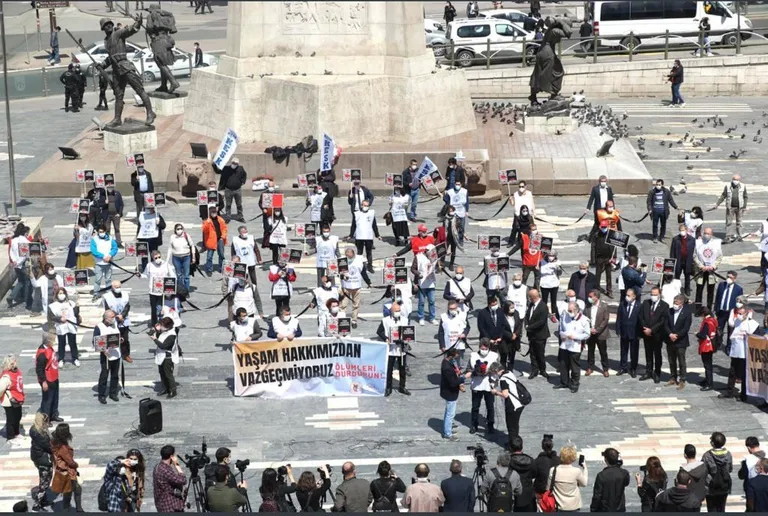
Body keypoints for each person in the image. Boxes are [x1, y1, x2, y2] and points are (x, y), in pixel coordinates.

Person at [99, 16, 155, 127]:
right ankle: (117, 119)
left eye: (110, 24)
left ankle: (150, 113)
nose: (109, 26)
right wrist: (102, 65)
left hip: (125, 66)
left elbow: (130, 30)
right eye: (106, 25)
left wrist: (137, 23)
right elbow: (110, 57)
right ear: (103, 28)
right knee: (119, 96)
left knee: (139, 89)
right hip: (116, 70)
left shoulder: (118, 33)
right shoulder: (106, 41)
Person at [721, 306, 759, 401]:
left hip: (745, 353)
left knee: (744, 374)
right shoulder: (737, 321)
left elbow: (757, 338)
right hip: (735, 351)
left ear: (746, 313)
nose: (738, 315)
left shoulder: (752, 324)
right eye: (738, 313)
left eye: (741, 314)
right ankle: (729, 391)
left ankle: (744, 394)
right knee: (732, 372)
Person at [556, 301, 591, 393]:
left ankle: (575, 383)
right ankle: (564, 382)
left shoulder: (584, 320)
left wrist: (575, 337)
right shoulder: (565, 316)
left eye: (571, 310)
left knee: (574, 366)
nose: (569, 312)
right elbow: (561, 328)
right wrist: (562, 334)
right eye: (568, 310)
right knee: (563, 364)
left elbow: (587, 334)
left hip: (575, 346)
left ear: (576, 310)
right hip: (565, 344)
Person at [465, 338, 498, 435]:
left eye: (486, 348)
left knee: (490, 407)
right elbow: (468, 369)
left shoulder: (494, 356)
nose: (484, 350)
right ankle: (474, 424)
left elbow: (498, 369)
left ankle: (490, 425)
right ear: (479, 347)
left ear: (488, 347)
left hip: (489, 385)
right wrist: (476, 372)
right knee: (475, 407)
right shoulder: (473, 356)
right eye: (482, 348)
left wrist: (489, 371)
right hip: (476, 385)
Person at [489, 362, 525, 446]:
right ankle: (515, 442)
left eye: (494, 373)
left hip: (512, 405)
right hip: (519, 403)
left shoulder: (503, 379)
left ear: (496, 370)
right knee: (515, 426)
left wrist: (496, 392)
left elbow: (505, 394)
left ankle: (513, 445)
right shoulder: (509, 373)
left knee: (511, 427)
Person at [639, 286, 668, 384]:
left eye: (655, 294)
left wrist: (652, 329)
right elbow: (641, 316)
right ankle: (648, 371)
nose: (653, 296)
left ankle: (657, 373)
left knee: (657, 354)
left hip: (657, 335)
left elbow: (662, 321)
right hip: (646, 333)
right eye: (652, 294)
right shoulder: (645, 303)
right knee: (648, 353)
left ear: (659, 295)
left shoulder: (664, 305)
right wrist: (645, 328)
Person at [51, 423, 83, 511]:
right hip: (68, 472)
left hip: (61, 470)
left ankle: (67, 508)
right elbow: (70, 462)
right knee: (76, 490)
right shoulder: (63, 448)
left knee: (67, 490)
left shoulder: (55, 442)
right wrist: (76, 465)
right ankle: (78, 509)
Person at [547, 446, 588, 512]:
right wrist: (585, 469)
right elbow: (584, 484)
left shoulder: (553, 470)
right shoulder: (576, 471)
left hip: (559, 506)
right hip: (573, 506)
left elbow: (548, 488)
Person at [381, 302, 409, 396]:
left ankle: (402, 386)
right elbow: (379, 331)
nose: (398, 312)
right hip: (391, 349)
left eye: (399, 310)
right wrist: (386, 338)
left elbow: (408, 331)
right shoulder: (385, 320)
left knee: (402, 368)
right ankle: (388, 388)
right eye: (396, 311)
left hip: (401, 348)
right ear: (392, 311)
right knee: (389, 369)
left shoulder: (405, 320)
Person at [94, 310, 122, 404]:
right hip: (106, 355)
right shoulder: (99, 327)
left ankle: (113, 393)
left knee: (115, 375)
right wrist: (103, 350)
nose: (114, 318)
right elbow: (95, 342)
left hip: (116, 354)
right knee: (104, 375)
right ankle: (101, 395)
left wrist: (120, 339)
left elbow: (117, 336)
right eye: (112, 317)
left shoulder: (115, 324)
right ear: (106, 318)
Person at [48, 287, 80, 368]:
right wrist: (59, 319)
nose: (61, 295)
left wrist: (77, 307)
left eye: (63, 293)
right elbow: (51, 316)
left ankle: (75, 358)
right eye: (60, 293)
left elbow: (75, 314)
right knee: (61, 343)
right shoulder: (53, 305)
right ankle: (61, 359)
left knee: (72, 343)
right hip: (61, 326)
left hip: (71, 326)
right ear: (57, 295)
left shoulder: (71, 303)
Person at [589, 447, 629, 512]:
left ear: (606, 460)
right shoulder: (624, 473)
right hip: (620, 509)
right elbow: (626, 483)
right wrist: (618, 465)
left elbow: (597, 495)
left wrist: (593, 509)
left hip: (605, 509)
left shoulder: (601, 475)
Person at [665, 294, 692, 389]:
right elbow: (666, 324)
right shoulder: (669, 311)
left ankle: (682, 379)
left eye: (677, 303)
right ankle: (673, 377)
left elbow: (686, 328)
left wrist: (677, 335)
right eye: (674, 302)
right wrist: (670, 334)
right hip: (670, 340)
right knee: (671, 360)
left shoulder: (687, 312)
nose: (675, 305)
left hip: (681, 341)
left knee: (681, 361)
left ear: (682, 303)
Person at [702, 431, 733, 512]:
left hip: (711, 487)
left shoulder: (707, 456)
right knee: (722, 508)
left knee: (711, 508)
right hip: (724, 485)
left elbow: (703, 471)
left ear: (712, 443)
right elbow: (730, 469)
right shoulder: (728, 454)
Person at [340, 246, 370, 328]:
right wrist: (343, 277)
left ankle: (354, 320)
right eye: (347, 256)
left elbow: (363, 273)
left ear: (353, 254)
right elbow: (339, 274)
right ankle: (342, 320)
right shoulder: (342, 261)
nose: (348, 258)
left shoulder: (359, 260)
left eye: (350, 256)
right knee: (343, 305)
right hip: (346, 287)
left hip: (356, 286)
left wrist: (368, 282)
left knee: (355, 304)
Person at [143, 250, 175, 326]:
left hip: (163, 291)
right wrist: (139, 275)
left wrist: (170, 285)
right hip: (153, 290)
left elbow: (173, 275)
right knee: (153, 309)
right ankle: (154, 324)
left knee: (163, 308)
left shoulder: (166, 265)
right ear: (152, 258)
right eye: (156, 258)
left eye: (159, 257)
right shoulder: (149, 265)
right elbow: (145, 275)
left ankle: (163, 323)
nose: (158, 259)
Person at [713, 174, 748, 243]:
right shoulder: (728, 186)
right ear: (732, 179)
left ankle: (739, 236)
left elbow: (745, 196)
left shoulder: (743, 186)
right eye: (734, 179)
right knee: (729, 222)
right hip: (730, 207)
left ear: (739, 180)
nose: (735, 181)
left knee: (739, 222)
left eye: (737, 180)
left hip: (739, 207)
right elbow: (723, 195)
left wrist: (744, 206)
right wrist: (717, 204)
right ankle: (728, 236)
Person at [36, 333, 62, 424]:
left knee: (55, 397)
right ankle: (46, 419)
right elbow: (39, 369)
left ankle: (54, 415)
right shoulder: (42, 353)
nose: (54, 342)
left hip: (54, 377)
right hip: (47, 379)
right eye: (52, 340)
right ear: (47, 341)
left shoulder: (49, 348)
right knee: (47, 400)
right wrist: (43, 382)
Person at [150, 317, 179, 398]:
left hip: (167, 358)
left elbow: (163, 346)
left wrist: (155, 339)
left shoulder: (172, 335)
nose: (161, 326)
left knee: (168, 374)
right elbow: (158, 336)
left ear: (167, 327)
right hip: (160, 356)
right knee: (162, 373)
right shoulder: (163, 332)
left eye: (162, 325)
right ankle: (165, 388)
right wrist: (156, 330)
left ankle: (173, 390)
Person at [152, 445, 187, 512]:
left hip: (161, 504)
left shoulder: (157, 466)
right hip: (170, 506)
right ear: (171, 456)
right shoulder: (166, 470)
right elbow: (183, 480)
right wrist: (177, 465)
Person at [525, 288, 550, 379]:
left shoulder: (543, 306)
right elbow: (527, 316)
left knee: (540, 353)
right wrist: (526, 323)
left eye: (529, 297)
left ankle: (542, 369)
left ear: (533, 297)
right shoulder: (531, 305)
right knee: (532, 353)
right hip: (532, 335)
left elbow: (541, 321)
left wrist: (529, 327)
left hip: (540, 335)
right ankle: (534, 370)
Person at [30, 413, 53, 511]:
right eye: (47, 421)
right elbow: (49, 448)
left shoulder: (33, 428)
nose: (48, 423)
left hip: (36, 457)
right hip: (43, 460)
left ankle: (42, 500)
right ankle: (37, 505)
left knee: (44, 479)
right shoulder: (41, 434)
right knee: (45, 482)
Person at [616, 287, 641, 377]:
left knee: (634, 352)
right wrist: (618, 329)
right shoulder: (622, 304)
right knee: (623, 351)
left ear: (634, 296)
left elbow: (641, 321)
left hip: (634, 333)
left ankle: (633, 368)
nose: (626, 297)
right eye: (626, 295)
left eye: (628, 295)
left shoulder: (639, 306)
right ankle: (623, 367)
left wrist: (640, 333)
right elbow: (619, 318)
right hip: (624, 332)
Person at [440, 348, 464, 441]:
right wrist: (463, 378)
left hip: (449, 392)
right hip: (449, 392)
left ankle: (448, 427)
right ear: (451, 355)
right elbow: (453, 382)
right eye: (456, 356)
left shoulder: (447, 362)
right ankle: (447, 433)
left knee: (448, 412)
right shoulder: (447, 368)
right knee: (450, 413)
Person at [507, 437, 537, 512]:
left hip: (513, 496)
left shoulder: (508, 462)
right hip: (528, 496)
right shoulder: (530, 460)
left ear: (510, 448)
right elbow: (534, 474)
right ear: (522, 446)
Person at [438, 299, 470, 368]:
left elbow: (467, 327)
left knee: (460, 365)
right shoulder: (444, 317)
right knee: (448, 365)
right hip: (448, 345)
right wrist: (442, 345)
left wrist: (464, 333)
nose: (452, 310)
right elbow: (441, 332)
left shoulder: (463, 315)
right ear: (448, 308)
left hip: (460, 345)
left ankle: (458, 377)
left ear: (457, 307)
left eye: (454, 308)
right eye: (450, 308)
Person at [585, 289, 610, 377]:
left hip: (601, 333)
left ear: (596, 297)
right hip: (590, 333)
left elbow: (605, 320)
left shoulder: (604, 306)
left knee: (603, 352)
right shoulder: (588, 306)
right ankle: (590, 367)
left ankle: (605, 369)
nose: (589, 298)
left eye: (590, 297)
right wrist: (589, 328)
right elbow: (585, 318)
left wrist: (597, 330)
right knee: (590, 351)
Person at [509, 223, 542, 288]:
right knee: (524, 278)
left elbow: (546, 249)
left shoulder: (540, 238)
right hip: (527, 263)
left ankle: (536, 290)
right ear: (529, 230)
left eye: (535, 229)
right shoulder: (525, 238)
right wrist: (508, 254)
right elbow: (517, 247)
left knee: (537, 279)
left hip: (537, 263)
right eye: (532, 230)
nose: (534, 231)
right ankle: (523, 290)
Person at [351, 199, 381, 270]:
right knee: (359, 252)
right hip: (359, 236)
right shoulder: (357, 214)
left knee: (369, 252)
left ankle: (370, 266)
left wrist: (377, 235)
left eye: (367, 206)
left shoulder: (371, 213)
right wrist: (351, 235)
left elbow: (374, 225)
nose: (366, 207)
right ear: (361, 205)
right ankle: (359, 266)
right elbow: (353, 225)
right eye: (364, 205)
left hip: (368, 236)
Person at [477, 296, 508, 364]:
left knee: (504, 352)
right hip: (488, 338)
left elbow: (503, 325)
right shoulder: (482, 313)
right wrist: (489, 339)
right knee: (490, 355)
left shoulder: (500, 311)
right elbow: (481, 327)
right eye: (493, 305)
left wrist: (500, 337)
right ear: (489, 305)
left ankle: (503, 367)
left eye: (496, 304)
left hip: (499, 338)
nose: (495, 306)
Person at [412, 244, 438, 326]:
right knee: (421, 301)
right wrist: (418, 274)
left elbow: (438, 267)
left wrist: (439, 267)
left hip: (431, 282)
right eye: (430, 252)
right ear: (426, 251)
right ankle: (421, 317)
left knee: (432, 301)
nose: (432, 254)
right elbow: (413, 268)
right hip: (421, 282)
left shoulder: (434, 257)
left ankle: (432, 318)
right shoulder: (418, 257)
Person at [167, 223, 196, 293]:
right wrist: (167, 260)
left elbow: (192, 245)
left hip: (186, 257)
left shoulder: (186, 236)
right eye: (178, 229)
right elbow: (170, 248)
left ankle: (186, 291)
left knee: (186, 275)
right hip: (176, 258)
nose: (179, 230)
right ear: (175, 230)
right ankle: (180, 291)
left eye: (181, 229)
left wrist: (193, 257)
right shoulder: (172, 237)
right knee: (179, 275)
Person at [89, 224, 118, 297]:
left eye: (102, 231)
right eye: (99, 232)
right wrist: (103, 257)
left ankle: (109, 293)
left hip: (108, 262)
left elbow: (115, 248)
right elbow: (93, 251)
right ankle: (96, 293)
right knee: (98, 280)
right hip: (99, 263)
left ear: (105, 231)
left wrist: (110, 255)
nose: (101, 233)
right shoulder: (94, 239)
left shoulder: (110, 238)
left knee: (108, 279)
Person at [0, 355, 24, 441]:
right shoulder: (6, 376)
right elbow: (1, 388)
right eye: (14, 361)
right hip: (9, 400)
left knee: (18, 416)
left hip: (17, 398)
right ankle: (10, 436)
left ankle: (16, 432)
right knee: (11, 419)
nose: (16, 362)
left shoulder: (16, 372)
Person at [647, 179, 679, 243]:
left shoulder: (666, 192)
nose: (658, 186)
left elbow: (670, 200)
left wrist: (676, 207)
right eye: (657, 184)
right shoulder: (652, 192)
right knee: (655, 224)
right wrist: (650, 209)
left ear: (662, 185)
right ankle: (655, 237)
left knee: (663, 225)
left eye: (659, 184)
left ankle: (662, 236)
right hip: (655, 211)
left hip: (663, 211)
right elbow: (649, 201)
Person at [215, 158, 247, 222]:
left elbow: (244, 175)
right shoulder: (226, 168)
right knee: (228, 204)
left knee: (239, 204)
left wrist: (242, 182)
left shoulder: (240, 168)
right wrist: (214, 165)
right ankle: (228, 217)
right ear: (231, 162)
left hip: (237, 189)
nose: (234, 164)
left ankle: (240, 216)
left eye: (236, 164)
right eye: (233, 163)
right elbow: (218, 171)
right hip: (228, 189)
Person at [136, 206, 167, 272]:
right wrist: (138, 237)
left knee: (154, 255)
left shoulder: (157, 216)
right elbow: (139, 227)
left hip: (154, 240)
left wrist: (158, 223)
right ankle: (145, 270)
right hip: (144, 239)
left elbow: (163, 226)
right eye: (149, 208)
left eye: (152, 208)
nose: (150, 210)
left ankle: (154, 269)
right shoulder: (142, 216)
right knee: (144, 257)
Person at [670, 223, 696, 296]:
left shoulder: (692, 239)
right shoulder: (675, 239)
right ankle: (676, 289)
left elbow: (694, 250)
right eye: (681, 230)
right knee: (677, 275)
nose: (682, 231)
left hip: (687, 261)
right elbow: (672, 251)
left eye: (683, 230)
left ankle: (687, 289)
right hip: (678, 260)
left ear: (686, 230)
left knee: (687, 275)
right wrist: (672, 261)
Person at [696, 306, 718, 391]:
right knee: (708, 364)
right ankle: (707, 380)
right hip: (712, 344)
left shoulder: (706, 322)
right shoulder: (713, 320)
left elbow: (702, 335)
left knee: (707, 365)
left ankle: (709, 383)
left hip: (706, 346)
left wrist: (697, 334)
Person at [202, 207, 228, 276]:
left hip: (220, 239)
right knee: (209, 256)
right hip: (211, 240)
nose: (214, 214)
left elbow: (225, 229)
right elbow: (204, 230)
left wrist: (223, 237)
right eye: (212, 212)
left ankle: (221, 268)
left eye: (215, 212)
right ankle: (209, 269)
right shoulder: (207, 221)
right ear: (210, 213)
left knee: (221, 255)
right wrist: (207, 223)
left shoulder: (220, 219)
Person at [539, 250, 562, 320]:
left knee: (553, 300)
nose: (551, 257)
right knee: (544, 300)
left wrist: (558, 269)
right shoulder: (542, 261)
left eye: (552, 256)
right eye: (549, 255)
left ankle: (553, 314)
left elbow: (559, 274)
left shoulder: (558, 262)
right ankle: (544, 313)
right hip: (544, 283)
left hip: (554, 283)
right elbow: (540, 271)